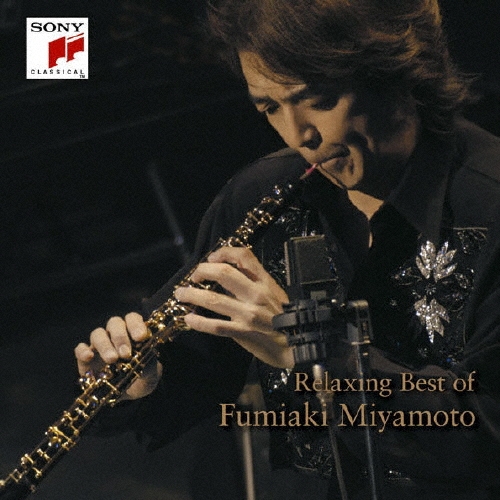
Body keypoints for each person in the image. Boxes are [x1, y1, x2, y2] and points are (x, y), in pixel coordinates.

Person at [75, 0, 500, 498]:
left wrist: (310, 353)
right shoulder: (262, 195)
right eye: (270, 108)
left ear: (396, 70)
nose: (300, 136)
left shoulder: (489, 206)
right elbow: (199, 369)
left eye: (318, 99)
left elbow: (485, 433)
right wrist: (144, 383)